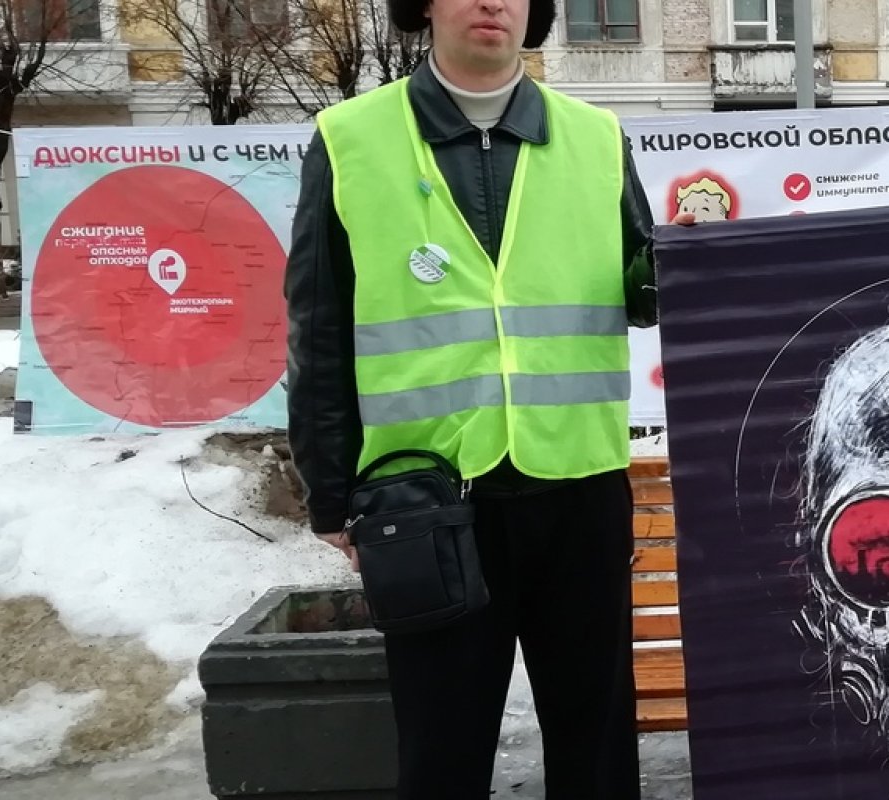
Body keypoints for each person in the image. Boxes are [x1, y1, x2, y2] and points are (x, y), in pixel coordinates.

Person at [281, 0, 681, 792]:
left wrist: (679, 264)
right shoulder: (350, 139)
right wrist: (329, 491)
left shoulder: (597, 138)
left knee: (597, 750)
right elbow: (319, 326)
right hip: (426, 500)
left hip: (579, 490)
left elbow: (642, 291)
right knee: (441, 755)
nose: (494, 2)